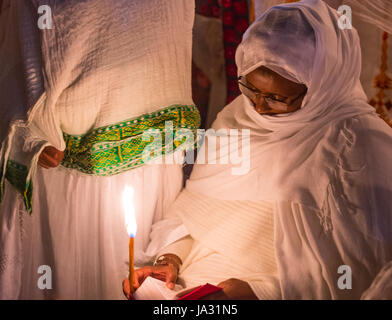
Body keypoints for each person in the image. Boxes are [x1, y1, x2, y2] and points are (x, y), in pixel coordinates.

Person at [123, 0, 392, 300]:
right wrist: (169, 260)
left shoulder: (359, 147)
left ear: (320, 86)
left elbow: (359, 278)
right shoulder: (237, 119)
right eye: (251, 88)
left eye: (277, 97)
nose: (260, 107)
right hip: (201, 280)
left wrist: (258, 292)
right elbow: (193, 215)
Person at [0, 0, 199, 299]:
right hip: (70, 179)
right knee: (73, 283)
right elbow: (17, 54)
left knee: (145, 275)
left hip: (155, 168)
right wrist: (28, 136)